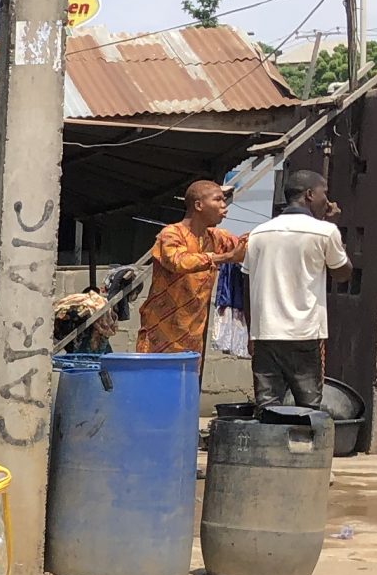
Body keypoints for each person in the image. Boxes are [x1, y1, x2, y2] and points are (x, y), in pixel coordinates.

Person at [243, 171, 353, 408]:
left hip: (265, 333)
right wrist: (333, 226)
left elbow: (246, 284)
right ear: (310, 195)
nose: (329, 201)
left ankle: (270, 445)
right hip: (305, 333)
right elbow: (343, 272)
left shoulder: (258, 233)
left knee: (267, 404)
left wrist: (251, 331)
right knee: (308, 406)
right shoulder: (325, 231)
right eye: (325, 193)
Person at [135, 179, 245, 354]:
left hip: (193, 337)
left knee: (187, 380)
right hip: (161, 335)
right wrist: (223, 257)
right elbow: (178, 261)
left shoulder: (216, 237)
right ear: (199, 205)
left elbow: (246, 247)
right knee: (157, 380)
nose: (224, 206)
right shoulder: (171, 233)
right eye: (218, 200)